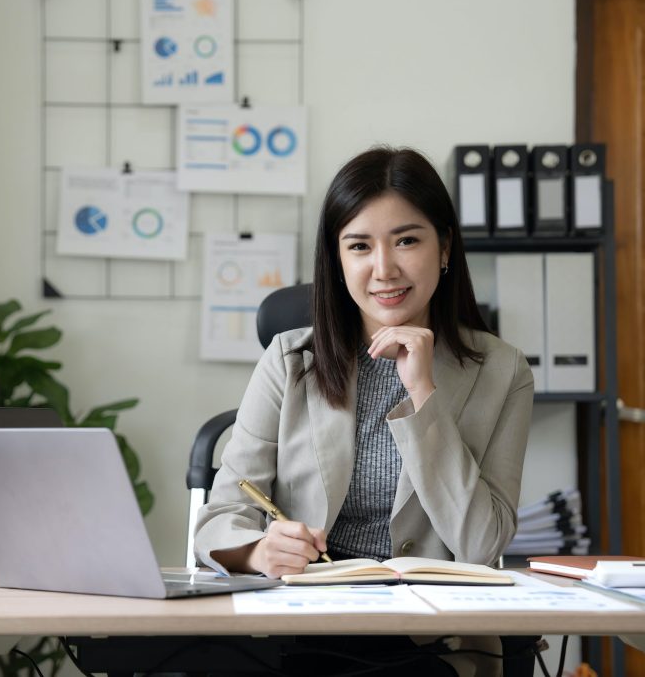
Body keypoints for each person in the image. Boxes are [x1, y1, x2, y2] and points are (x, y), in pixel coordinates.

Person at [193, 146, 534, 676]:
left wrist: (423, 395)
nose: (384, 269)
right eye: (359, 246)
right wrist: (259, 550)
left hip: (432, 639)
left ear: (444, 247)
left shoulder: (502, 371)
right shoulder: (289, 360)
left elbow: (480, 544)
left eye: (406, 240)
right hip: (301, 628)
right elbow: (218, 520)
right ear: (338, 259)